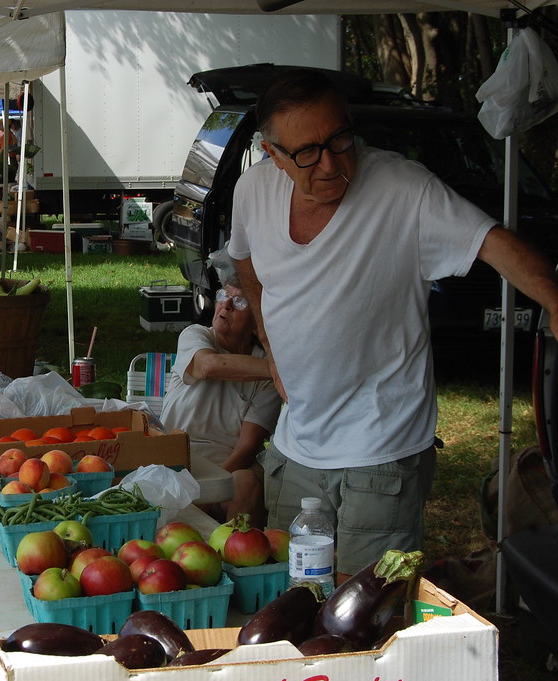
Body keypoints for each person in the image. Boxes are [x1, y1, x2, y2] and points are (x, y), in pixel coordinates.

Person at [227, 68, 558, 583]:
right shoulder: (252, 192)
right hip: (296, 444)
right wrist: (269, 342)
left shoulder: (404, 189)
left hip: (381, 447)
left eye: (340, 138)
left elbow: (492, 243)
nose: (332, 163)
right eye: (308, 152)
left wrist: (555, 299)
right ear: (272, 154)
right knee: (291, 597)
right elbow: (245, 262)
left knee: (369, 608)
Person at [160, 277, 281, 526]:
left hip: (227, 469)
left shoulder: (265, 373)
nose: (226, 306)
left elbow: (248, 447)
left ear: (258, 318)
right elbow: (208, 366)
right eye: (223, 296)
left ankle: (241, 557)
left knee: (246, 482)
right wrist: (284, 370)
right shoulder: (196, 335)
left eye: (239, 301)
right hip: (176, 461)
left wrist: (209, 490)